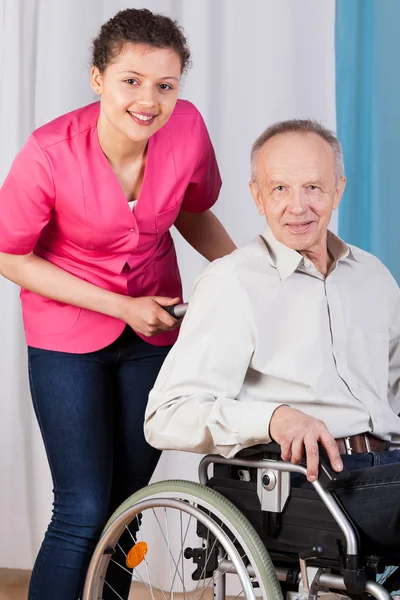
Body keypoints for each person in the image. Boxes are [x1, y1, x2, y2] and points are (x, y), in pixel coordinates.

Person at [0, 8, 235, 600]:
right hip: (65, 338)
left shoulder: (187, 130)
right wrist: (120, 306)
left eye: (165, 85)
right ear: (97, 78)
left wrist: (241, 281)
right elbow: (9, 255)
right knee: (81, 510)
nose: (148, 101)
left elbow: (192, 208)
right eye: (131, 80)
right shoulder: (49, 152)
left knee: (124, 509)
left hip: (154, 335)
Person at [146, 119, 400, 555]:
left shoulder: (373, 277)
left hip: (389, 470)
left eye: (313, 188)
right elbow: (167, 415)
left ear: (338, 190)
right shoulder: (233, 282)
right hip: (316, 485)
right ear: (257, 196)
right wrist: (272, 418)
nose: (298, 207)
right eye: (280, 189)